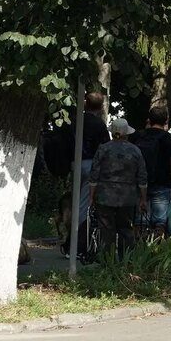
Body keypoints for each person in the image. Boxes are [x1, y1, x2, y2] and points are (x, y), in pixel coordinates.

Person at [56, 91, 111, 257]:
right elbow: (105, 147)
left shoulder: (74, 121)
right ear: (101, 106)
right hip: (91, 163)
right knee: (84, 205)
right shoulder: (99, 125)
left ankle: (71, 241)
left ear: (85, 103)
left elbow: (63, 143)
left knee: (75, 201)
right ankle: (77, 244)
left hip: (75, 163)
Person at [89, 118, 147, 260]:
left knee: (106, 231)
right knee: (126, 230)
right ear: (127, 133)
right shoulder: (135, 151)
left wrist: (91, 197)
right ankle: (126, 261)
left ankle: (107, 262)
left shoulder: (103, 149)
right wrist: (143, 199)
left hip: (105, 195)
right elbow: (142, 177)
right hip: (127, 197)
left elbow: (94, 176)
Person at [136, 107, 171, 236]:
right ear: (166, 121)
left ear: (149, 120)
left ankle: (137, 250)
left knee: (140, 220)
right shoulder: (169, 139)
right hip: (162, 183)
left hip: (139, 183)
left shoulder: (138, 136)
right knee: (160, 222)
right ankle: (157, 251)